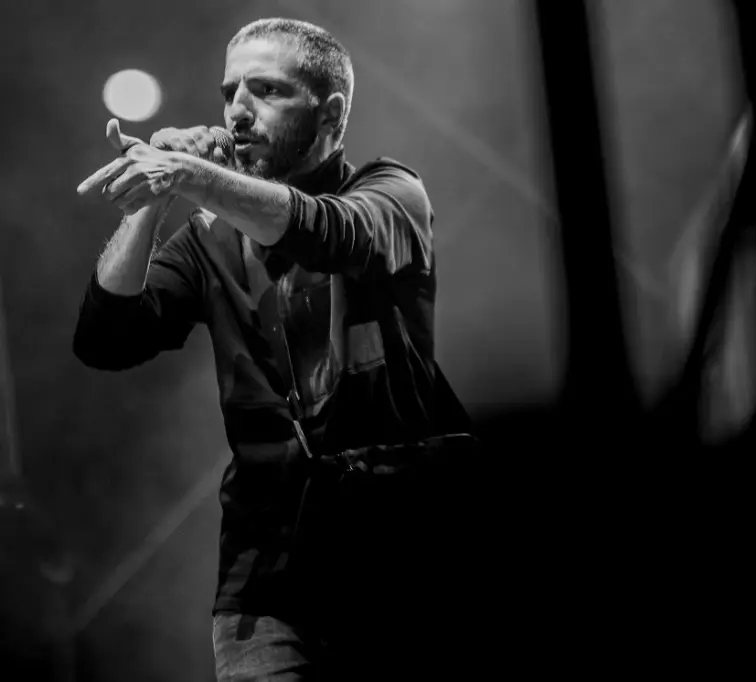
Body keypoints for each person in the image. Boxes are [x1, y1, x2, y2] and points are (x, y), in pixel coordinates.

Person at [74, 17, 475, 678]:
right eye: (229, 92)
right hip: (268, 581)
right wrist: (152, 198)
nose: (237, 111)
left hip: (407, 561)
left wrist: (196, 176)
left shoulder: (391, 194)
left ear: (331, 113)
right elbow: (105, 339)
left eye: (265, 90)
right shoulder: (209, 238)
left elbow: (325, 232)